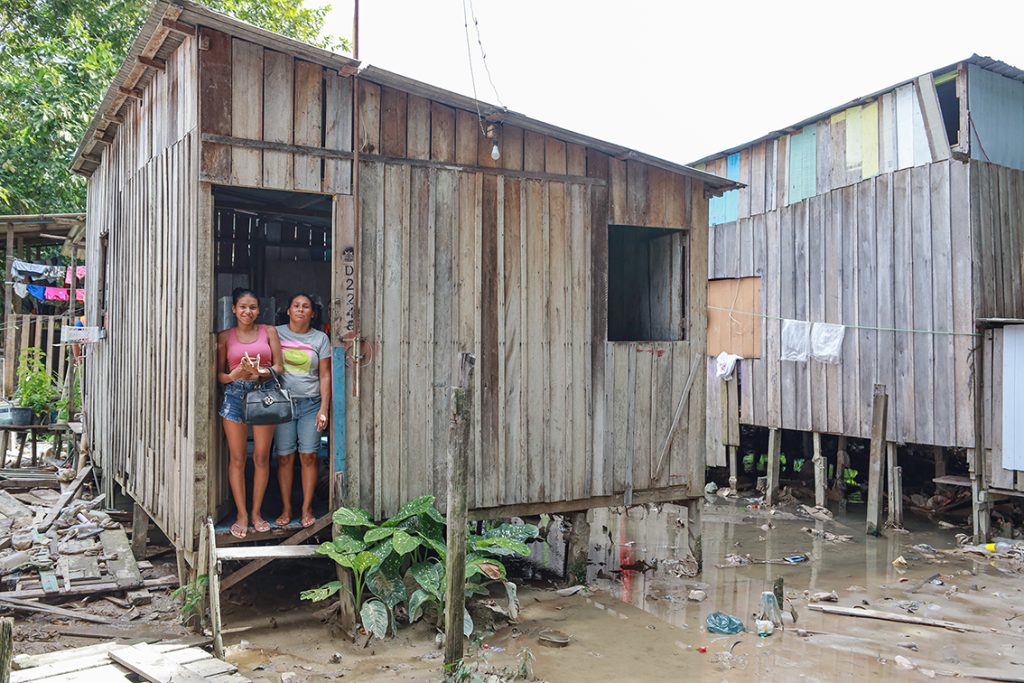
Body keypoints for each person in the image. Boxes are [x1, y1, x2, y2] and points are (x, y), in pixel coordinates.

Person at [216, 288, 283, 539]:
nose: (248, 311)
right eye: (243, 307)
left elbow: (279, 366)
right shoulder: (225, 336)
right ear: (234, 309)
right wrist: (234, 375)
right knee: (237, 459)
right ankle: (242, 514)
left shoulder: (269, 331)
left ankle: (256, 513)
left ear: (259, 309)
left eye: (253, 307)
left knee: (262, 457)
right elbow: (220, 376)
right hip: (234, 395)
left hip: (264, 393)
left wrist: (261, 372)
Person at [275, 293, 331, 528]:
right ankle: (286, 508)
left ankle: (306, 508)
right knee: (285, 458)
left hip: (311, 404)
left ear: (313, 313)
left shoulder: (320, 339)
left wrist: (323, 408)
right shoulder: (275, 333)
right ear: (288, 311)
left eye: (305, 306)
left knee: (309, 456)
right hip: (282, 405)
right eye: (295, 305)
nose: (300, 309)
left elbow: (325, 375)